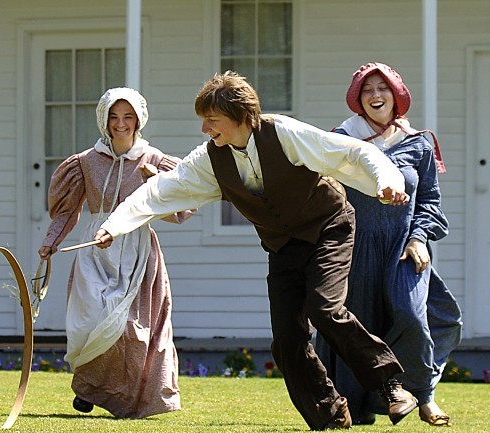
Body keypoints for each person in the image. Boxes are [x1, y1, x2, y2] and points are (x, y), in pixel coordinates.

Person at [93, 71, 420, 430]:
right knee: (286, 341)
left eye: (212, 121)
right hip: (283, 246)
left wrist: (387, 183)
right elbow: (160, 190)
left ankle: (391, 386)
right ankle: (330, 415)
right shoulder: (210, 158)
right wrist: (115, 225)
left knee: (324, 308)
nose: (205, 130)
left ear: (241, 117)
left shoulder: (284, 133)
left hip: (328, 228)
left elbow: (355, 152)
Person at [314, 62, 462, 427]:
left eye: (383, 88)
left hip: (403, 248)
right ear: (357, 99)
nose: (375, 95)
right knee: (356, 329)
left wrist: (419, 237)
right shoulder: (341, 139)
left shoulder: (418, 143)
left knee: (412, 315)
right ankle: (358, 404)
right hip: (355, 248)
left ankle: (424, 394)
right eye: (367, 89)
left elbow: (429, 199)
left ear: (397, 95)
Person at [39, 87, 193, 419]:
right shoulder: (84, 162)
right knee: (92, 320)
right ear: (104, 120)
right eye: (114, 117)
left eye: (127, 117)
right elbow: (67, 211)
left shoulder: (154, 160)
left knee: (131, 326)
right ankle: (90, 387)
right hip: (95, 251)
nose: (120, 124)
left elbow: (179, 212)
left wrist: (158, 186)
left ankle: (132, 397)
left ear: (138, 120)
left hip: (138, 252)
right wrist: (51, 241)